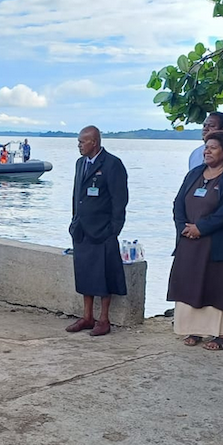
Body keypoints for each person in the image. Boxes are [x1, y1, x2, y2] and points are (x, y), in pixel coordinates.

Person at [168, 131, 223, 350]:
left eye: (213, 147)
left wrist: (202, 228)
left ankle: (222, 334)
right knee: (191, 283)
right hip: (191, 239)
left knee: (221, 286)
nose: (207, 150)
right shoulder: (195, 173)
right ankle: (194, 330)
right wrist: (184, 228)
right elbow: (178, 203)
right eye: (206, 146)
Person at [66, 126, 128, 337]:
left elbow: (120, 199)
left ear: (94, 142)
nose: (79, 146)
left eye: (82, 142)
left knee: (104, 275)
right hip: (82, 228)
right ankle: (87, 316)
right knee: (84, 274)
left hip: (103, 230)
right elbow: (77, 195)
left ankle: (104, 319)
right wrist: (74, 222)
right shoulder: (80, 163)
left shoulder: (112, 164)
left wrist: (114, 230)